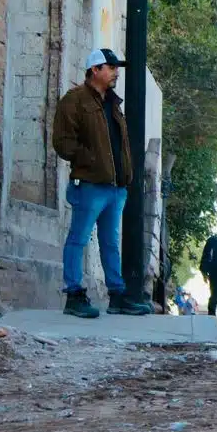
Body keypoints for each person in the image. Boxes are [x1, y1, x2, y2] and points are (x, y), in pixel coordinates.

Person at [51, 47, 151, 319]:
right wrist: (90, 159)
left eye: (117, 68)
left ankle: (117, 296)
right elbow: (62, 142)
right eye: (111, 67)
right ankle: (74, 295)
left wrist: (125, 177)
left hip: (115, 188)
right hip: (90, 184)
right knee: (78, 239)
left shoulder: (112, 103)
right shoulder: (75, 100)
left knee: (110, 242)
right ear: (95, 70)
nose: (116, 72)